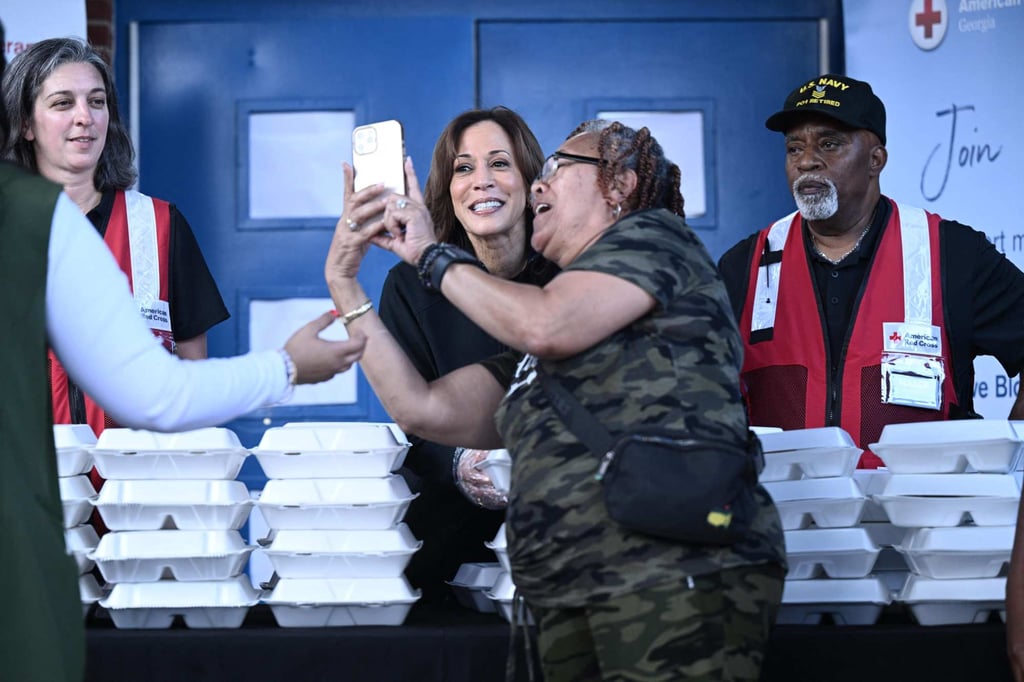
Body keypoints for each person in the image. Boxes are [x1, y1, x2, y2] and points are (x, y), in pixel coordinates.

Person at [326, 119, 785, 681]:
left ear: (618, 187)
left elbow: (547, 324)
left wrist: (429, 254)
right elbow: (422, 408)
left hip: (669, 581)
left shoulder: (657, 241)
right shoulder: (540, 341)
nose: (538, 186)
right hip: (565, 593)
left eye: (555, 170)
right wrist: (345, 283)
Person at [716, 73, 1024, 469]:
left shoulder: (951, 252)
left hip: (922, 517)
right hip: (783, 516)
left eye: (830, 144)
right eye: (795, 148)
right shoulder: (746, 264)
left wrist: (1011, 466)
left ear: (876, 159)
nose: (807, 161)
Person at [367, 106, 558, 605]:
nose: (481, 182)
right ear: (447, 190)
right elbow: (408, 421)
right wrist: (457, 462)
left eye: (499, 164)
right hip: (444, 542)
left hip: (563, 540)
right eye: (464, 168)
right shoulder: (409, 284)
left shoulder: (571, 277)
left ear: (530, 179)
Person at [2, 37, 230, 436]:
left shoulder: (160, 225)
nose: (84, 117)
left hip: (139, 487)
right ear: (25, 125)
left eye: (96, 101)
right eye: (62, 103)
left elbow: (194, 381)